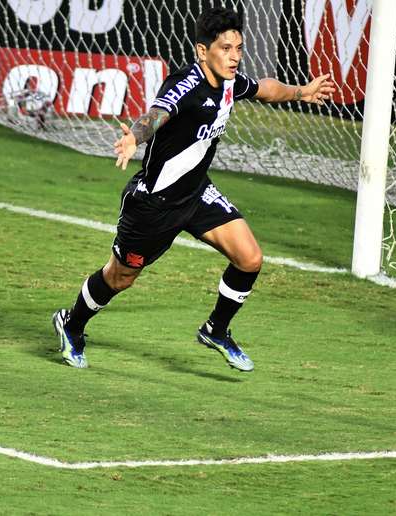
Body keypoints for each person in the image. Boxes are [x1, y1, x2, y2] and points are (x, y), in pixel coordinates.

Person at [52, 6, 335, 371]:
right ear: (203, 51)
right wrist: (134, 139)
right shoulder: (185, 84)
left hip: (197, 193)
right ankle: (71, 324)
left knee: (249, 258)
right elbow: (158, 113)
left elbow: (265, 89)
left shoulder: (231, 81)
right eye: (225, 49)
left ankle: (216, 329)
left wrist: (300, 92)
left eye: (239, 48)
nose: (234, 57)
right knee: (119, 278)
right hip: (154, 204)